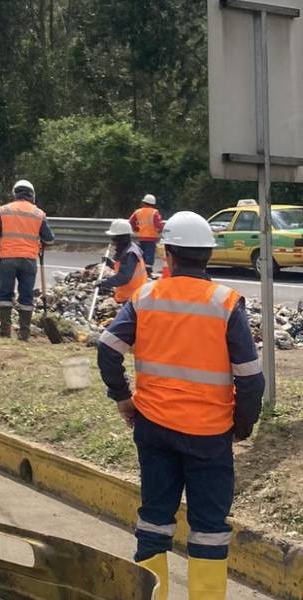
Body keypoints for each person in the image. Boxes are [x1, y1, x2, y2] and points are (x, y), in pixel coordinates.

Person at [97, 211, 263, 600]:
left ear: (167, 253)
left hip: (154, 429)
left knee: (154, 521)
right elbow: (251, 379)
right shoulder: (225, 303)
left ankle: (149, 595)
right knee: (208, 528)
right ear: (208, 255)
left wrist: (123, 399)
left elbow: (107, 349)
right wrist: (242, 425)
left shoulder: (146, 297)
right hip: (209, 435)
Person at [0, 180, 55, 340]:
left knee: (4, 294)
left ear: (15, 193)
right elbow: (50, 239)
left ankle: (5, 330)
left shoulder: (4, 210)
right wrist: (41, 243)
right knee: (26, 296)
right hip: (29, 260)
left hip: (8, 259)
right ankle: (24, 333)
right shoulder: (39, 213)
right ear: (32, 195)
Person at [97, 219, 147, 304]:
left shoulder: (130, 254)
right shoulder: (130, 248)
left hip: (132, 297)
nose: (113, 240)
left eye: (114, 237)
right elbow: (127, 269)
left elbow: (124, 277)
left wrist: (105, 283)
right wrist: (111, 264)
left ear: (121, 237)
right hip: (133, 294)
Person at [129, 194, 164, 278]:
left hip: (141, 236)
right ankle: (147, 272)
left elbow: (131, 222)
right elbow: (158, 224)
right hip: (151, 237)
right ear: (153, 204)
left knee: (142, 254)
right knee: (149, 255)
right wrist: (161, 230)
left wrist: (136, 229)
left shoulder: (137, 211)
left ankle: (141, 271)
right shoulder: (154, 212)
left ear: (144, 202)